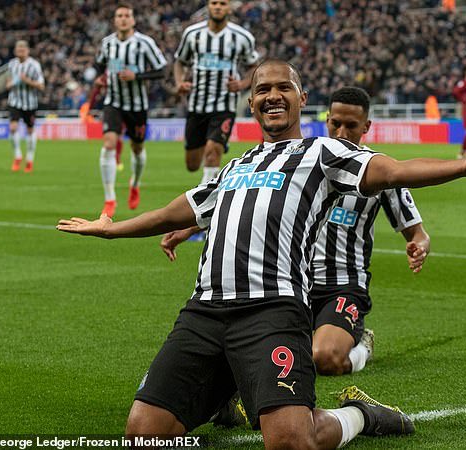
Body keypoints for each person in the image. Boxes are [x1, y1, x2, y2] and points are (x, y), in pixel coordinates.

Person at [57, 59, 466, 449]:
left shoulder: (325, 152)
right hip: (203, 313)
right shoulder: (237, 165)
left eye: (284, 87)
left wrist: (462, 165)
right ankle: (234, 387)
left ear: (302, 100)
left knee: (290, 441)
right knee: (143, 433)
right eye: (262, 89)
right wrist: (112, 230)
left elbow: (393, 170)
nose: (272, 95)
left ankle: (359, 415)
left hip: (271, 312)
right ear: (252, 102)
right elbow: (179, 209)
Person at [161, 87, 430, 377]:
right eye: (335, 123)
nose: (341, 132)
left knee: (324, 358)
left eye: (351, 126)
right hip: (291, 284)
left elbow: (417, 233)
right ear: (327, 119)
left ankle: (363, 347)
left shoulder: (378, 172)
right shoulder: (302, 161)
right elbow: (239, 199)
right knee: (236, 357)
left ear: (366, 127)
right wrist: (189, 227)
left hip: (342, 286)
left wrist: (419, 245)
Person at [174, 0, 259, 185]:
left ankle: (205, 201)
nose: (218, 6)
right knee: (192, 164)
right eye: (214, 3)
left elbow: (254, 66)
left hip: (225, 105)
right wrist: (180, 82)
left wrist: (242, 83)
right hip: (197, 105)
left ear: (229, 8)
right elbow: (180, 61)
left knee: (212, 153)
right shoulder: (192, 34)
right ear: (208, 6)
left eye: (222, 3)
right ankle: (214, 141)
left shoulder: (242, 37)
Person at [94, 3, 167, 217]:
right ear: (115, 20)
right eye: (119, 16)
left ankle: (134, 184)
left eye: (127, 15)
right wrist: (101, 76)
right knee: (108, 144)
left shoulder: (145, 43)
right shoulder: (107, 43)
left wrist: (138, 76)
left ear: (133, 20)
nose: (123, 19)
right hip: (113, 102)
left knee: (137, 148)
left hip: (137, 106)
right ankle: (109, 198)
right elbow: (100, 64)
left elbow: (161, 70)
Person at [6, 40, 45, 173]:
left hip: (30, 104)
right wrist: (10, 84)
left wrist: (27, 81)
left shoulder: (34, 65)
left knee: (30, 131)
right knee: (13, 127)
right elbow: (8, 81)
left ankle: (29, 159)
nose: (20, 51)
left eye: (23, 48)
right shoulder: (12, 64)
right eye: (18, 48)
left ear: (28, 50)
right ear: (15, 51)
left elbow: (41, 85)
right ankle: (17, 156)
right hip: (15, 101)